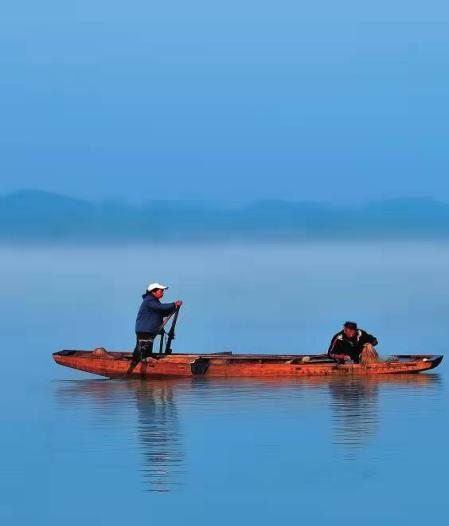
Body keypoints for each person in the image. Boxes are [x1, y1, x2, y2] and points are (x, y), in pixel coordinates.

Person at [132, 282, 183, 364]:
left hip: (149, 330)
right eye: (161, 291)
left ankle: (140, 360)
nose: (162, 293)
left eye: (163, 291)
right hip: (145, 330)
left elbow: (161, 311)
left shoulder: (154, 301)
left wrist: (173, 308)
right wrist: (174, 304)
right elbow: (160, 307)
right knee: (142, 351)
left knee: (147, 350)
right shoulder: (149, 300)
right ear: (153, 292)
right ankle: (137, 362)